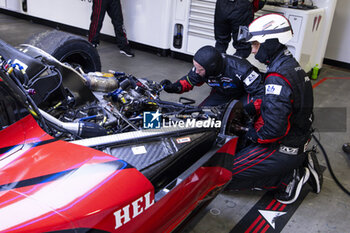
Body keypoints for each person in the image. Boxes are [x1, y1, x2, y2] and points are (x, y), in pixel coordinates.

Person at [221, 13, 323, 204]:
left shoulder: (277, 78)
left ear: (270, 43)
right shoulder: (289, 64)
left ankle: (290, 177)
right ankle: (299, 160)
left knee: (222, 177)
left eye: (256, 45)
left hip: (284, 148)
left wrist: (252, 134)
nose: (252, 51)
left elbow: (272, 132)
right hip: (299, 137)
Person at [161, 45, 264, 107]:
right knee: (201, 116)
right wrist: (172, 87)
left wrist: (250, 109)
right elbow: (188, 82)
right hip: (221, 93)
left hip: (245, 94)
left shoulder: (243, 70)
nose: (196, 71)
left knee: (239, 118)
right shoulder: (201, 69)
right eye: (195, 67)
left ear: (211, 68)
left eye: (199, 69)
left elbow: (261, 95)